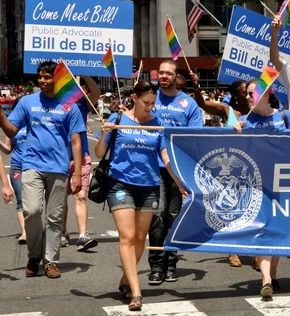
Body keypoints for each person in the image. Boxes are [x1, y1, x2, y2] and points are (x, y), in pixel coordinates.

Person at [94, 80, 186, 311]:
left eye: (153, 103)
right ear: (134, 98)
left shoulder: (158, 124)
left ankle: (126, 278)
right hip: (120, 184)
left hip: (149, 186)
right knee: (127, 236)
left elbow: (165, 157)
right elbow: (99, 152)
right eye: (146, 102)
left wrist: (177, 180)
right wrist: (104, 134)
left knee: (139, 238)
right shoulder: (117, 120)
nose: (149, 107)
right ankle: (136, 291)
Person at [0, 61, 86, 279]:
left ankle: (51, 261)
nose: (43, 81)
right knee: (32, 211)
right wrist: (1, 114)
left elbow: (76, 141)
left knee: (55, 216)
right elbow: (11, 131)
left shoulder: (69, 106)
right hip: (31, 165)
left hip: (59, 167)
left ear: (57, 79)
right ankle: (34, 255)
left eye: (47, 77)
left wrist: (77, 175)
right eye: (40, 77)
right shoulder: (27, 102)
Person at [233, 80, 290, 298]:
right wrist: (233, 130)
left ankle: (273, 275)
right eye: (246, 94)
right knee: (264, 229)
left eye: (251, 93)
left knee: (276, 229)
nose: (247, 97)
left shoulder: (284, 117)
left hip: (283, 183)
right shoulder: (243, 121)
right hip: (256, 184)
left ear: (266, 95)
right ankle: (266, 278)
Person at [148, 61, 203, 286]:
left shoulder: (187, 104)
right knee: (157, 217)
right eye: (161, 72)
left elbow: (195, 138)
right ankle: (156, 266)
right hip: (152, 168)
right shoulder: (150, 99)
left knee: (173, 217)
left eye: (168, 73)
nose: (164, 76)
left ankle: (171, 264)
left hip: (178, 170)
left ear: (176, 76)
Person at [190, 74, 251, 267]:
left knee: (253, 209)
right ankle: (233, 250)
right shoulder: (227, 110)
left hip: (253, 167)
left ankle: (257, 253)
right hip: (231, 168)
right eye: (245, 91)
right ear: (235, 95)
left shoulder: (259, 111)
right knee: (232, 209)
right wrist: (196, 86)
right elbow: (202, 103)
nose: (250, 95)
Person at [61, 76, 100, 251]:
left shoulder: (82, 103)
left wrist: (85, 73)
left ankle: (82, 236)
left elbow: (96, 93)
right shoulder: (54, 104)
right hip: (60, 156)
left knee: (81, 196)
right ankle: (62, 232)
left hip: (82, 156)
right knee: (60, 199)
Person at [0, 97, 27, 244]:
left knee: (36, 203)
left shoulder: (35, 122)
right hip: (17, 166)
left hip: (35, 166)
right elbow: (7, 150)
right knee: (21, 200)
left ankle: (35, 230)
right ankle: (24, 232)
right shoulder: (11, 126)